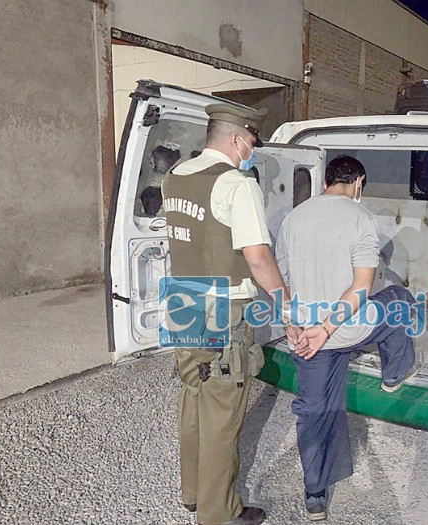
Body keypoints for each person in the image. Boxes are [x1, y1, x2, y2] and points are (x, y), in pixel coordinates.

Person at [161, 103, 302, 525]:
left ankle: (193, 493)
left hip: (182, 302)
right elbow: (257, 255)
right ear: (237, 138)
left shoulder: (174, 178)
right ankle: (217, 513)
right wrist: (286, 304)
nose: (252, 149)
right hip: (222, 309)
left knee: (194, 395)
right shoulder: (236, 184)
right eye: (252, 141)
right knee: (223, 413)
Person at [275, 155, 417, 521]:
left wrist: (291, 323)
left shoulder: (293, 219)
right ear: (359, 182)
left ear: (325, 180)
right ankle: (394, 374)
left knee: (314, 410)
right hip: (348, 328)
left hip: (307, 335)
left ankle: (315, 494)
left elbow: (282, 282)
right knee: (399, 299)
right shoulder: (360, 218)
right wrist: (328, 329)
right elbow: (363, 287)